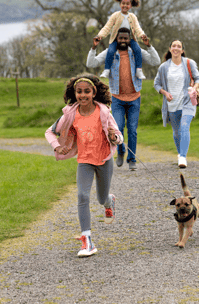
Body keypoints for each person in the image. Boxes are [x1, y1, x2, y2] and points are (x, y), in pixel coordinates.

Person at [45, 73, 123, 258]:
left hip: (104, 160)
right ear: (75, 93)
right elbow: (49, 132)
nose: (82, 95)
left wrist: (115, 137)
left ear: (94, 92)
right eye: (79, 92)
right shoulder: (70, 114)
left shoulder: (103, 112)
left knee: (101, 198)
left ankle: (109, 201)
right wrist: (58, 147)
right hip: (85, 161)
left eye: (87, 91)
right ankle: (87, 240)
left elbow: (119, 136)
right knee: (82, 195)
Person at [87, 27, 161, 170]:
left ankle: (132, 159)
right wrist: (93, 48)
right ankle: (121, 152)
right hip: (117, 98)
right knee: (118, 128)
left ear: (129, 39)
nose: (122, 41)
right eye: (120, 38)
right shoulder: (110, 53)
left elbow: (155, 61)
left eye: (125, 38)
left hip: (134, 98)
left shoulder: (136, 52)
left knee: (132, 130)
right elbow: (91, 63)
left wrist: (149, 46)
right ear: (116, 39)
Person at [154, 40, 199, 169]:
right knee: (176, 132)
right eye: (174, 46)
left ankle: (182, 156)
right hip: (172, 104)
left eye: (179, 46)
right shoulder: (164, 67)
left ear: (182, 50)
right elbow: (156, 84)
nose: (176, 48)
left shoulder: (189, 63)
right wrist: (164, 92)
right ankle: (180, 153)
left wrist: (195, 88)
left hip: (187, 101)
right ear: (170, 49)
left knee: (185, 126)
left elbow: (198, 78)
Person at [95, 0, 148, 80]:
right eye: (123, 3)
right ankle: (107, 70)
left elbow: (137, 28)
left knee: (137, 50)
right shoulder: (115, 15)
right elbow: (107, 27)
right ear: (120, 4)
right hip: (117, 39)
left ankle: (139, 70)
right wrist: (100, 35)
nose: (125, 6)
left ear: (130, 6)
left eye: (127, 4)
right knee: (111, 51)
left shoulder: (133, 17)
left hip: (129, 39)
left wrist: (142, 35)